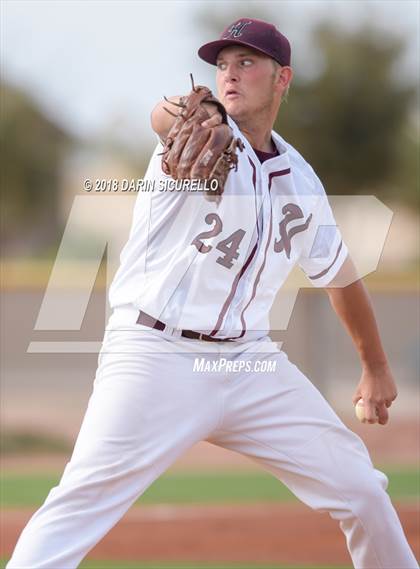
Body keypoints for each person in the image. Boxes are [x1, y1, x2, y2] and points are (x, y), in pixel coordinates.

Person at [7, 17, 418, 569]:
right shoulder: (191, 135)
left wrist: (375, 367)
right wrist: (193, 111)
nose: (229, 74)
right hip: (156, 355)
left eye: (246, 62)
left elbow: (339, 275)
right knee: (79, 503)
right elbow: (163, 115)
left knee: (362, 489)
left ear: (282, 78)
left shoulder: (299, 179)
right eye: (222, 64)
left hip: (251, 363)